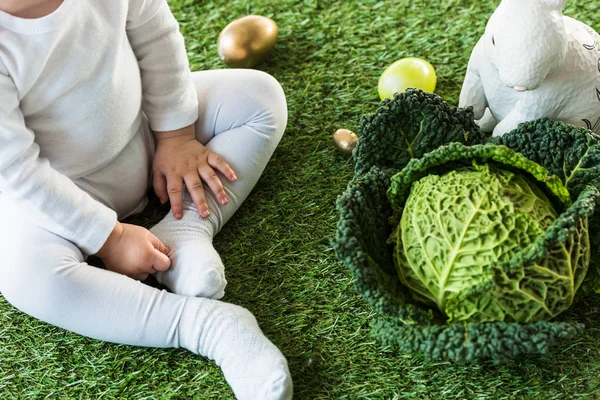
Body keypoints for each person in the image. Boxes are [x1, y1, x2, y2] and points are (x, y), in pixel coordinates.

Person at [0, 0, 293, 399]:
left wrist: (177, 136)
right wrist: (109, 237)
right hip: (60, 193)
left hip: (147, 134)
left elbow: (156, 33)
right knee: (25, 277)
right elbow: (16, 170)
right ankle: (202, 326)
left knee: (259, 97)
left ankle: (186, 225)